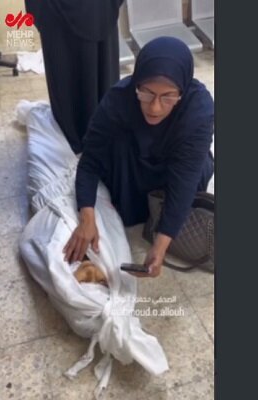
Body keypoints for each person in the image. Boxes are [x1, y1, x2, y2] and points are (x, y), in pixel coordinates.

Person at [63, 37, 214, 278]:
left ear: (182, 92)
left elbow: (184, 180)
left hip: (177, 164)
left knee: (194, 175)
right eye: (146, 93)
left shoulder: (199, 110)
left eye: (168, 97)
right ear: (136, 84)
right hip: (132, 163)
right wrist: (87, 217)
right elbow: (90, 161)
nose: (154, 107)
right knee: (118, 149)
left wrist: (161, 246)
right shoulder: (118, 100)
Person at [24, 0, 124, 154]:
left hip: (62, 15)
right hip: (97, 9)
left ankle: (75, 132)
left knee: (66, 74)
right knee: (100, 70)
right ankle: (101, 130)